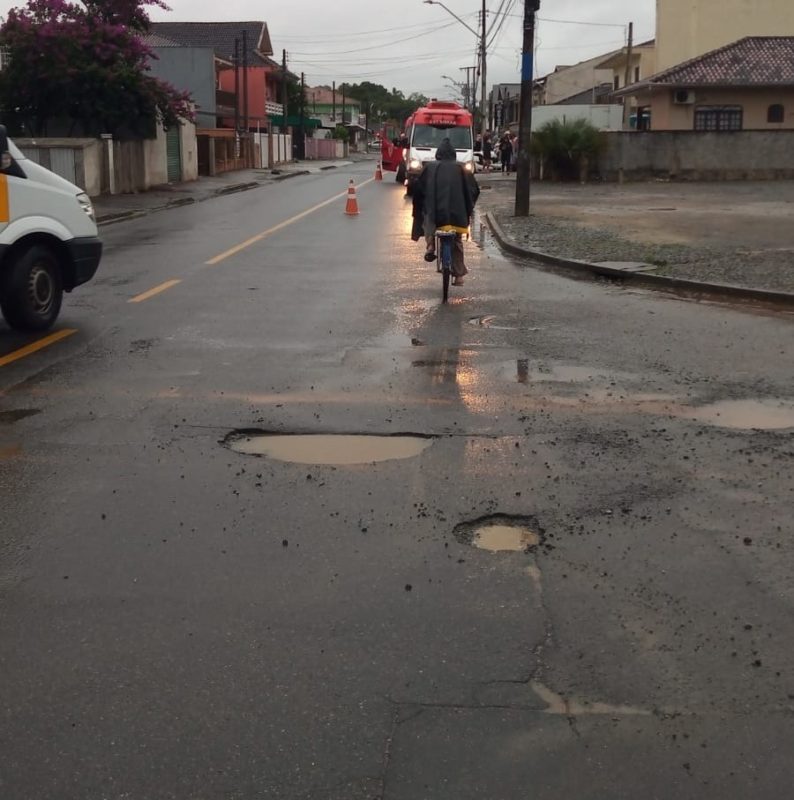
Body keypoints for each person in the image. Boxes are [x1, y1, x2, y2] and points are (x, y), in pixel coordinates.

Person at [411, 138, 480, 286]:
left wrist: (420, 207)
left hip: (436, 215)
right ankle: (459, 275)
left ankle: (430, 245)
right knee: (457, 240)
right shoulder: (462, 169)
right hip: (457, 217)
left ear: (438, 154)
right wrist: (468, 207)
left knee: (428, 223)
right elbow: (474, 190)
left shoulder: (430, 168)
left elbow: (418, 190)